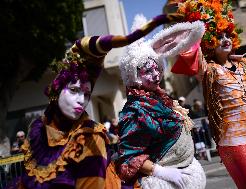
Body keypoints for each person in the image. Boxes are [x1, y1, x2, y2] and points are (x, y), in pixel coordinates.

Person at [6, 13, 180, 189]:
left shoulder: (89, 138)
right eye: (74, 90)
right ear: (57, 91)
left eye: (87, 94)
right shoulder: (37, 131)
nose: (81, 100)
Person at [173, 0, 246, 188]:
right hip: (239, 144)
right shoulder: (208, 70)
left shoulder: (245, 64)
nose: (225, 39)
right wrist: (195, 21)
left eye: (227, 35)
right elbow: (189, 52)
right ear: (208, 43)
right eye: (218, 36)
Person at [116, 15, 206, 189]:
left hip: (187, 174)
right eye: (148, 71)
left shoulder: (159, 98)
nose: (156, 75)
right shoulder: (135, 110)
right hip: (166, 182)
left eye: (157, 68)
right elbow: (128, 156)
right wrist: (161, 172)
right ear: (133, 74)